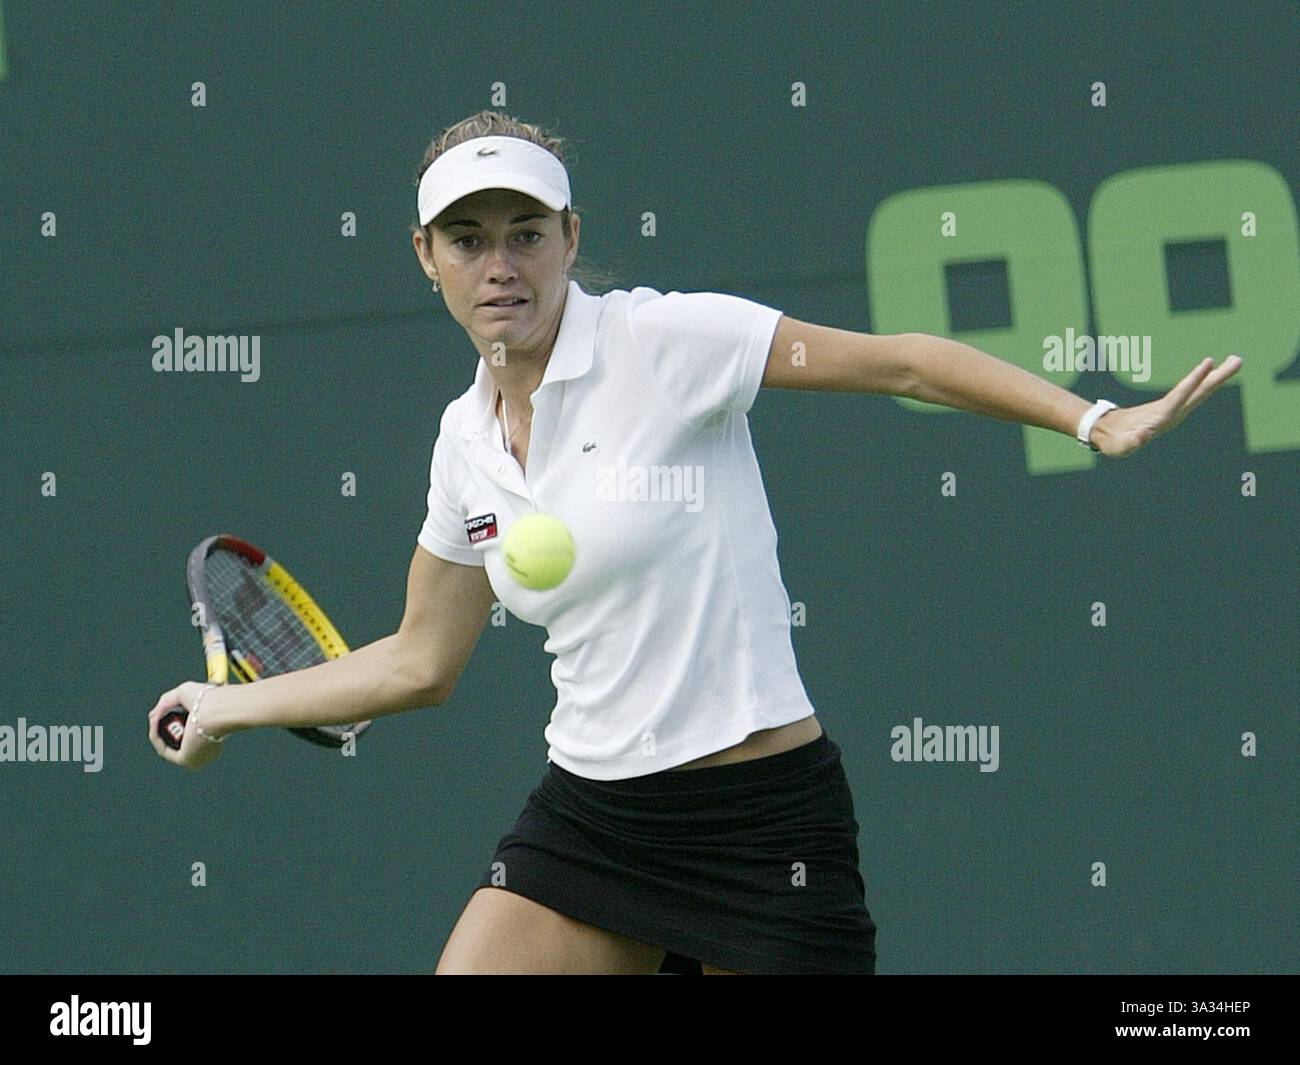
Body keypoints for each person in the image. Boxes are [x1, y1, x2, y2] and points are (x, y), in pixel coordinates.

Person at [148, 110, 1242, 975]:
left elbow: (902, 361)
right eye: (469, 241)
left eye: (526, 234)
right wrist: (226, 706)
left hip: (763, 825)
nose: (501, 267)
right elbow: (418, 663)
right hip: (594, 818)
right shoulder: (461, 445)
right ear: (424, 256)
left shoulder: (668, 343)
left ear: (570, 239)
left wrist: (1092, 418)